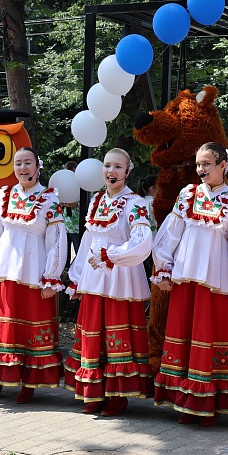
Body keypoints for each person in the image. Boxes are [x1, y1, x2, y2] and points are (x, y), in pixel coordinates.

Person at [151, 142, 228, 425]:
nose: (201, 169)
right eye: (198, 164)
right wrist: (163, 267)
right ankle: (185, 403)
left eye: (207, 164)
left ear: (223, 164)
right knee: (184, 335)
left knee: (210, 337)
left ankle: (210, 403)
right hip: (186, 277)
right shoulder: (188, 194)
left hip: (216, 280)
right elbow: (171, 232)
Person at [0, 147, 67, 403]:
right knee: (0, 326)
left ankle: (29, 383)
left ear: (37, 166)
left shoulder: (50, 198)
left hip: (32, 273)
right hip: (5, 269)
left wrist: (52, 276)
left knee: (27, 328)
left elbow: (56, 240)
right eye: (18, 163)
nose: (23, 168)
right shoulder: (4, 195)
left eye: (28, 163)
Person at [63, 148, 154, 416]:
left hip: (120, 273)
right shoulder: (96, 201)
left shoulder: (135, 202)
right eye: (107, 166)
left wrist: (112, 255)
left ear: (127, 171)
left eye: (117, 167)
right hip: (94, 273)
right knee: (94, 329)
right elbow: (87, 242)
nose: (111, 172)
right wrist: (76, 277)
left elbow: (141, 240)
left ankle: (118, 394)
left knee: (117, 330)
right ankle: (94, 390)